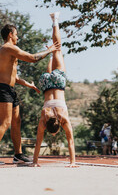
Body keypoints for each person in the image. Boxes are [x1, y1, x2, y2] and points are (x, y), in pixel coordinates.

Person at [0, 24, 61, 165]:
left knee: (16, 123)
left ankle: (18, 155)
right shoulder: (8, 48)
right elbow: (32, 58)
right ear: (10, 35)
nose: (18, 37)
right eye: (16, 34)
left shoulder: (10, 51)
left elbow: (15, 77)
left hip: (10, 89)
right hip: (2, 89)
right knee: (5, 123)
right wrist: (49, 51)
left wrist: (28, 84)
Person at [31, 12, 78, 168]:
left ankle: (55, 20)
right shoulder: (44, 119)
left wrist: (73, 162)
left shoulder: (63, 118)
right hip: (46, 83)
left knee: (58, 48)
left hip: (58, 83)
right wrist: (34, 162)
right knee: (54, 55)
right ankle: (50, 54)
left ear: (58, 125)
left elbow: (71, 141)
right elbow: (38, 143)